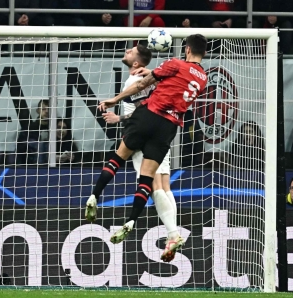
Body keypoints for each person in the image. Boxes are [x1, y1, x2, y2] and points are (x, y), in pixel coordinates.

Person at [86, 34, 208, 263]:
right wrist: (154, 73)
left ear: (188, 49)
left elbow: (144, 87)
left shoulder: (174, 63)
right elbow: (175, 84)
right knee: (160, 184)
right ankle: (171, 234)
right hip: (169, 128)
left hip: (149, 118)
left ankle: (95, 196)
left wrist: (115, 102)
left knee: (142, 175)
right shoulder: (203, 79)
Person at [100, 44, 180, 249]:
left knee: (154, 186)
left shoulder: (135, 80)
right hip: (162, 131)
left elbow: (142, 112)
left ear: (136, 62)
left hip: (144, 137)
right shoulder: (152, 78)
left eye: (130, 52)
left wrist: (119, 118)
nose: (126, 51)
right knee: (164, 184)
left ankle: (173, 234)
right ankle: (174, 233)